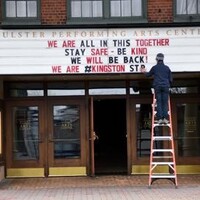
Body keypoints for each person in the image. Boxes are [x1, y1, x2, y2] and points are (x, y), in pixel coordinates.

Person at [140, 53, 173, 124]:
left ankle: (160, 118)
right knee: (165, 102)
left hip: (157, 86)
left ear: (157, 60)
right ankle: (165, 118)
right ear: (163, 60)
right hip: (165, 86)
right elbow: (171, 79)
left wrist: (143, 71)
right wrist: (168, 85)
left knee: (159, 102)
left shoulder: (155, 68)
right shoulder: (167, 68)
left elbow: (148, 75)